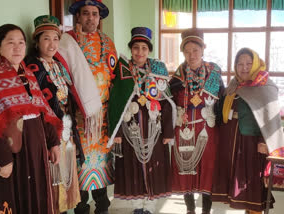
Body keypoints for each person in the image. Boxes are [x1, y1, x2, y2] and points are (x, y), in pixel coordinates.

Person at [0, 24, 62, 214]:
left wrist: (54, 142)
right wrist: (4, 159)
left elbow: (42, 111)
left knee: (36, 200)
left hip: (35, 151)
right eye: (10, 43)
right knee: (13, 200)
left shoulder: (28, 74)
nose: (17, 47)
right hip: (11, 156)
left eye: (21, 43)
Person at [55, 0, 117, 213]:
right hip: (78, 118)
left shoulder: (108, 42)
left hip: (103, 119)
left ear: (100, 18)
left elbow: (114, 75)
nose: (91, 18)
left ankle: (102, 206)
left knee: (101, 164)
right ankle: (81, 207)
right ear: (78, 17)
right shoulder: (67, 41)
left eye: (94, 14)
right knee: (80, 165)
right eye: (86, 13)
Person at [107, 27, 175, 214]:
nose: (140, 52)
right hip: (130, 129)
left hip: (155, 129)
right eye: (136, 47)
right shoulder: (123, 70)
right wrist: (118, 133)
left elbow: (168, 102)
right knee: (132, 167)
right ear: (131, 49)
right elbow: (116, 103)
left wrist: (168, 132)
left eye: (144, 48)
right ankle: (137, 206)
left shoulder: (158, 70)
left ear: (149, 50)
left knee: (154, 167)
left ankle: (150, 207)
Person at [211, 48, 284, 214]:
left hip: (251, 143)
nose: (244, 67)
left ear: (256, 65)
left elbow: (270, 118)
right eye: (240, 64)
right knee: (238, 185)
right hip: (231, 141)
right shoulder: (234, 84)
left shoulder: (266, 86)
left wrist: (263, 141)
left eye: (248, 64)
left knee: (251, 185)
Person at [25, 15, 82, 213]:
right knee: (52, 179)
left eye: (56, 38)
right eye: (46, 38)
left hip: (66, 128)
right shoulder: (32, 68)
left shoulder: (59, 66)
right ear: (37, 41)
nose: (52, 44)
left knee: (65, 179)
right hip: (48, 130)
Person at [169, 28, 224, 214]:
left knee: (208, 168)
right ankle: (190, 210)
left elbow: (223, 99)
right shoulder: (177, 76)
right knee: (186, 167)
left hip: (208, 128)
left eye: (195, 50)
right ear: (183, 52)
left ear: (203, 50)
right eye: (187, 51)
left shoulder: (214, 72)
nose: (191, 55)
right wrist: (177, 113)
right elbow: (168, 102)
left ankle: (206, 210)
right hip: (185, 128)